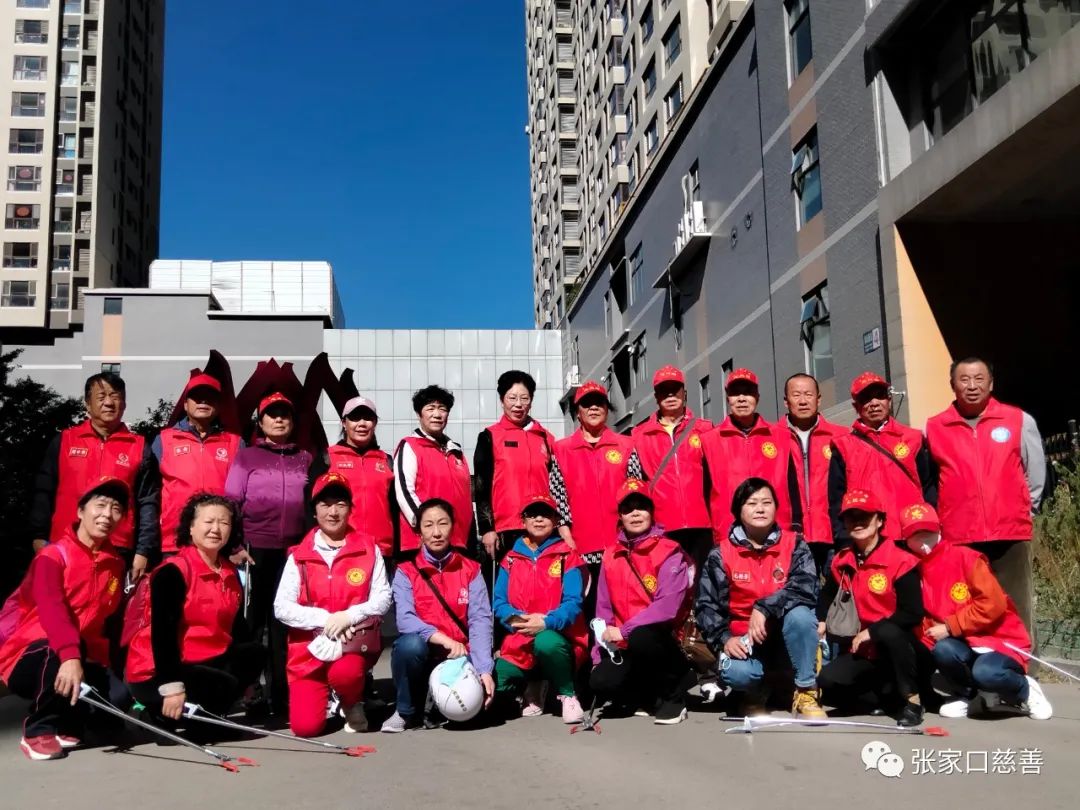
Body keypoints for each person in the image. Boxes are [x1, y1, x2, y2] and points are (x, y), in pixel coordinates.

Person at [0, 478, 129, 761]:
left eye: (116, 509)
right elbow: (52, 610)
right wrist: (70, 655)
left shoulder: (116, 564)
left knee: (118, 701)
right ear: (81, 511)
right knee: (57, 656)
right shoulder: (52, 556)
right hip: (33, 653)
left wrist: (102, 662)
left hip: (81, 655)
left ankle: (67, 722)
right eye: (100, 505)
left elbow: (107, 622)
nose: (107, 515)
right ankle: (38, 729)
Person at [924, 357, 1046, 635]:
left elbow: (1035, 471)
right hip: (960, 535)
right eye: (964, 379)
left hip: (1010, 531)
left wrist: (1026, 511)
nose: (972, 386)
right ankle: (978, 660)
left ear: (991, 383)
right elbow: (930, 482)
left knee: (1017, 604)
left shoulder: (1018, 419)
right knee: (967, 605)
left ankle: (1022, 661)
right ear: (952, 385)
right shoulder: (934, 428)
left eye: (979, 379)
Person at [899, 502, 1052, 721]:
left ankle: (1025, 690)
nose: (922, 539)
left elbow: (993, 604)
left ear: (939, 529)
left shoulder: (966, 558)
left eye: (927, 531)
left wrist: (952, 626)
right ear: (906, 540)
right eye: (915, 534)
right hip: (961, 642)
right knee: (942, 651)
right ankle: (969, 695)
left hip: (997, 639)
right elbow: (924, 618)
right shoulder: (912, 569)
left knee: (987, 673)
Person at [126, 494, 264, 730]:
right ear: (190, 527)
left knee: (253, 654)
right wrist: (172, 687)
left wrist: (249, 682)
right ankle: (155, 714)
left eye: (224, 522)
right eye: (208, 522)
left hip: (205, 659)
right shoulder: (173, 571)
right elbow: (163, 637)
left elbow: (237, 628)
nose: (216, 529)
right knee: (221, 685)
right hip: (159, 669)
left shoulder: (229, 571)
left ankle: (202, 717)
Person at [696, 478, 825, 718]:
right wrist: (724, 639)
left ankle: (806, 690)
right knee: (737, 673)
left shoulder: (795, 544)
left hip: (785, 633)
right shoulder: (720, 554)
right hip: (745, 638)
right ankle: (754, 692)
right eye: (752, 503)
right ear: (738, 510)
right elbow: (706, 606)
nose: (760, 509)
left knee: (801, 616)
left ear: (776, 508)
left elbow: (805, 587)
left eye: (767, 502)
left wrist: (764, 607)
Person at [274, 474, 391, 737]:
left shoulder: (369, 548)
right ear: (314, 511)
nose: (333, 512)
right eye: (325, 505)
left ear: (350, 508)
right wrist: (325, 619)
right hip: (308, 652)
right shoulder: (298, 555)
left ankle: (351, 701)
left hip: (351, 644)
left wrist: (349, 616)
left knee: (346, 674)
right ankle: (326, 696)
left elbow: (383, 598)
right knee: (305, 728)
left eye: (340, 504)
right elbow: (281, 607)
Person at [225, 392, 313, 717]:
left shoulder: (305, 458)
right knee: (251, 625)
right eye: (271, 414)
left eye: (284, 414)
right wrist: (234, 546)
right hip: (252, 551)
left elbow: (313, 505)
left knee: (283, 626)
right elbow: (231, 501)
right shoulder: (247, 457)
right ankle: (250, 693)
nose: (278, 419)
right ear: (260, 423)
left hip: (291, 553)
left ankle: (281, 695)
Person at [30, 372, 159, 579]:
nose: (108, 402)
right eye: (101, 396)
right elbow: (44, 491)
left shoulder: (140, 447)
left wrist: (143, 551)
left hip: (117, 548)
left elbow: (148, 502)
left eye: (115, 396)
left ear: (124, 404)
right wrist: (38, 536)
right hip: (64, 544)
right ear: (87, 404)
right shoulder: (65, 441)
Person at [381, 499, 494, 732]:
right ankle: (404, 710)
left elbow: (480, 620)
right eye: (428, 525)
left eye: (443, 523)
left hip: (460, 657)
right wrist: (443, 639)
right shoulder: (406, 571)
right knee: (409, 645)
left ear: (453, 526)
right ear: (419, 531)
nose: (436, 532)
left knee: (478, 712)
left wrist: (484, 670)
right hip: (425, 653)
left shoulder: (471, 569)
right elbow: (405, 619)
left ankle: (437, 706)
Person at [816, 490, 928, 726]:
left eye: (865, 516)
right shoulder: (842, 560)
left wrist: (872, 632)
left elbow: (913, 613)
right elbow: (827, 595)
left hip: (902, 647)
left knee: (889, 632)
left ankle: (913, 701)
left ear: (880, 521)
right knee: (827, 683)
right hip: (865, 651)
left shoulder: (901, 560)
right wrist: (821, 620)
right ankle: (883, 697)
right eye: (851, 517)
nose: (857, 523)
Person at [590, 480, 694, 725]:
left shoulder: (670, 551)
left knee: (642, 636)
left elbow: (667, 607)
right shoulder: (610, 554)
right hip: (625, 641)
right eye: (628, 509)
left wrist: (625, 630)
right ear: (620, 516)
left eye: (642, 507)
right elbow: (603, 609)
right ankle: (647, 693)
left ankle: (674, 694)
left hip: (661, 638)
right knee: (601, 681)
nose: (635, 513)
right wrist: (598, 654)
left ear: (651, 512)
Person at [492, 494, 587, 723]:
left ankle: (567, 694)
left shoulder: (567, 556)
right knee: (500, 678)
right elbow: (499, 602)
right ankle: (533, 685)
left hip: (558, 635)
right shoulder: (510, 559)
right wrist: (519, 621)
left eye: (545, 514)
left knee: (546, 642)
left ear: (555, 520)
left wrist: (546, 622)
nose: (538, 519)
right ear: (523, 521)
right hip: (520, 636)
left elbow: (573, 602)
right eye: (532, 515)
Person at [554, 381, 643, 617]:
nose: (593, 408)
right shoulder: (561, 449)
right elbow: (558, 496)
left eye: (599, 403)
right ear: (578, 412)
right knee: (587, 609)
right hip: (579, 546)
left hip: (621, 544)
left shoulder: (626, 445)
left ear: (606, 408)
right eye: (586, 404)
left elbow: (636, 492)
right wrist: (567, 537)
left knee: (622, 606)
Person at [474, 370, 573, 562]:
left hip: (542, 527)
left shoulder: (545, 438)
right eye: (512, 398)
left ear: (531, 401)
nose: (518, 404)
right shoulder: (489, 436)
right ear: (502, 400)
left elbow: (556, 486)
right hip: (505, 530)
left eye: (524, 398)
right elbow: (481, 486)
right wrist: (487, 528)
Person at [828, 372, 935, 547]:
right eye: (866, 399)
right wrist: (844, 539)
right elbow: (836, 499)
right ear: (856, 406)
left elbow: (929, 488)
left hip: (912, 534)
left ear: (889, 400)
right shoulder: (843, 446)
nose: (874, 403)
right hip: (867, 540)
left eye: (880, 396)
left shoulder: (913, 439)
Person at [631, 365, 714, 575]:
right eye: (663, 390)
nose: (670, 395)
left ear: (684, 393)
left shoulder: (705, 429)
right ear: (656, 396)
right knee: (669, 583)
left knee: (702, 584)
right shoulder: (639, 435)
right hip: (662, 526)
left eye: (675, 389)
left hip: (702, 524)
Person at [153, 372, 243, 559]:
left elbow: (241, 497)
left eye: (210, 397)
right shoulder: (164, 440)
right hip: (174, 539)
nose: (203, 401)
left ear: (218, 406)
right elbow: (150, 492)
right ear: (186, 405)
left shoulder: (234, 443)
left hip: (218, 538)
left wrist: (237, 543)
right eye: (197, 397)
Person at [700, 368, 792, 541]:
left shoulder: (782, 436)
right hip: (728, 533)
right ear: (728, 398)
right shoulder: (709, 440)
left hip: (775, 531)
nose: (742, 398)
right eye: (735, 393)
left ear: (757, 396)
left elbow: (793, 486)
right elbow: (704, 493)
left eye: (748, 392)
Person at [308, 395, 396, 559]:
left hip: (381, 550)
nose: (362, 424)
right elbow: (310, 505)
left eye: (368, 418)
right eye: (355, 418)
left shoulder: (387, 461)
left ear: (375, 423)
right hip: (339, 548)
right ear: (344, 423)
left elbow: (395, 509)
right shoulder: (327, 458)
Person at [393, 386, 474, 556]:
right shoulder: (410, 446)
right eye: (430, 408)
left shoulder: (456, 451)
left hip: (458, 541)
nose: (437, 414)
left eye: (442, 409)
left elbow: (465, 497)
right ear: (419, 414)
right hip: (423, 542)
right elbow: (404, 492)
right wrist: (425, 527)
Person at [782, 373, 843, 577]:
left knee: (839, 593)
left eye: (808, 394)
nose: (803, 401)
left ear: (818, 399)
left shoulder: (840, 437)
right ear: (786, 402)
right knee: (800, 593)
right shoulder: (772, 437)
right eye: (796, 395)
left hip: (832, 534)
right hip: (790, 537)